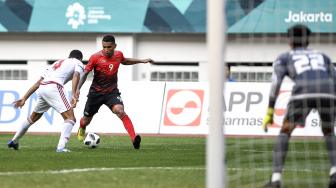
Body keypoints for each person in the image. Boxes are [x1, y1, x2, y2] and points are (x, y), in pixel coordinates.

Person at [262, 24, 336, 188]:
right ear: (307, 40)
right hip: (328, 92)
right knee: (329, 131)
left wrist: (270, 110)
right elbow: (335, 77)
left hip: (303, 92)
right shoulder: (322, 56)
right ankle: (334, 172)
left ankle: (275, 179)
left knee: (285, 131)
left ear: (289, 41)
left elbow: (276, 83)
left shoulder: (284, 57)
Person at [76, 35, 153, 150]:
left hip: (112, 92)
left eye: (109, 47)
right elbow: (85, 73)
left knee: (120, 111)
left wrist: (141, 61)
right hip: (95, 93)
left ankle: (134, 139)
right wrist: (78, 88)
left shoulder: (118, 55)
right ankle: (82, 127)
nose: (106, 49)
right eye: (104, 47)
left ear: (114, 46)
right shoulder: (95, 57)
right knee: (86, 120)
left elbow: (125, 61)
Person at [8, 50, 85, 153]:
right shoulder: (78, 62)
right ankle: (61, 148)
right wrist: (74, 95)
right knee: (70, 118)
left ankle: (14, 141)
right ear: (80, 58)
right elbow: (76, 76)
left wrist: (24, 98)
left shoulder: (56, 63)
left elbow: (38, 82)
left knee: (33, 117)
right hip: (54, 87)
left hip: (43, 87)